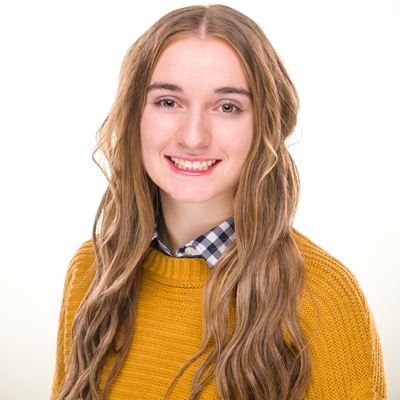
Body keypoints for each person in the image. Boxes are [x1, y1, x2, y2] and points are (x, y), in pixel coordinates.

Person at [50, 4, 386, 400]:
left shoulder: (322, 298)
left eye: (228, 107)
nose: (193, 137)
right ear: (133, 116)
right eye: (167, 102)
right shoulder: (92, 273)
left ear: (265, 125)